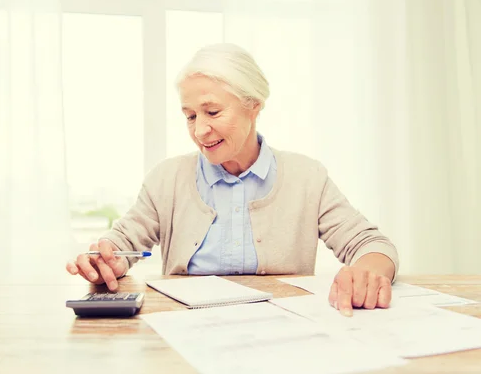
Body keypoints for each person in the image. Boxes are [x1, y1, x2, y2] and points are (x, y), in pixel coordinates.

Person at [66, 43, 399, 317]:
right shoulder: (166, 179)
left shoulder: (307, 177)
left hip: (283, 335)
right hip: (187, 332)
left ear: (253, 106)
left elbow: (373, 246)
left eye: (212, 113)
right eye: (190, 116)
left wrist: (367, 272)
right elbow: (122, 244)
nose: (200, 130)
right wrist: (104, 262)